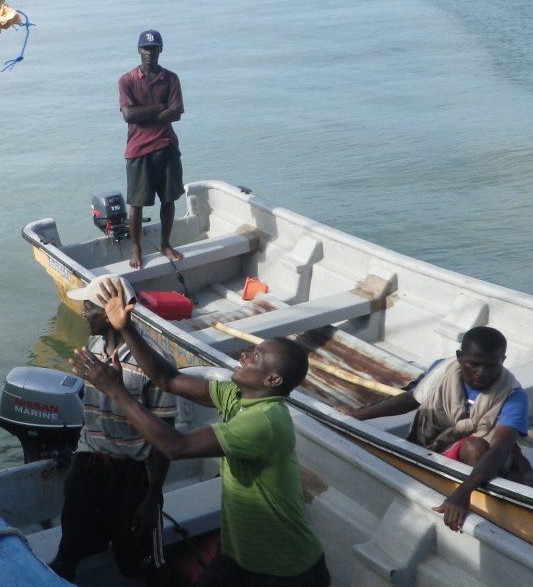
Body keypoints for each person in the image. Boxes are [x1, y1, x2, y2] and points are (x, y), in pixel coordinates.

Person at [71, 278, 329, 587]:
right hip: (238, 553)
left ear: (273, 380)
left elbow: (174, 446)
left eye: (256, 357)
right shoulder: (237, 395)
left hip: (284, 570)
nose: (245, 355)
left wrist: (115, 390)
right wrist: (126, 327)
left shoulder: (265, 421)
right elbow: (167, 379)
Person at [337, 325, 533, 532]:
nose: (482, 372)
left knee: (475, 448)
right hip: (433, 445)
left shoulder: (513, 396)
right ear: (459, 357)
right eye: (474, 364)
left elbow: (500, 448)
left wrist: (462, 493)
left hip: (477, 458)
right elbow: (411, 400)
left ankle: (479, 502)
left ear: (502, 361)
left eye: (491, 366)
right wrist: (358, 415)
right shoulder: (441, 371)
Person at [48, 275, 176, 583]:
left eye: (89, 307)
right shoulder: (94, 346)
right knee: (70, 548)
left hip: (132, 476)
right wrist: (78, 465)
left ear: (112, 313)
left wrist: (151, 497)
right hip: (90, 466)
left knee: (137, 560)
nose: (82, 312)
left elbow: (164, 439)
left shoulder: (155, 362)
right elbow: (90, 416)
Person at [118, 29, 185, 270]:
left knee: (169, 199)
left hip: (166, 146)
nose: (150, 52)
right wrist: (159, 107)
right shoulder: (127, 81)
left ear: (160, 50)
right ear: (139, 50)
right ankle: (136, 248)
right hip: (138, 149)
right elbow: (128, 115)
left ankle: (165, 244)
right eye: (146, 48)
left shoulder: (171, 79)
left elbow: (176, 113)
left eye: (154, 48)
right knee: (136, 203)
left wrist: (142, 114)